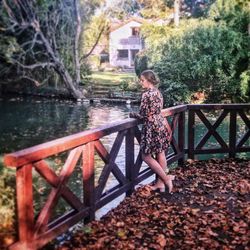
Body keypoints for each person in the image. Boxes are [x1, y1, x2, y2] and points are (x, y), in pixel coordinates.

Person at [129, 70, 175, 193]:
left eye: (142, 80)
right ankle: (160, 184)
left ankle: (165, 179)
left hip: (151, 127)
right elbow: (157, 111)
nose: (141, 82)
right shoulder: (158, 93)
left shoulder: (146, 95)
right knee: (160, 153)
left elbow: (143, 115)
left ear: (149, 80)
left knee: (146, 156)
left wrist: (133, 114)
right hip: (160, 124)